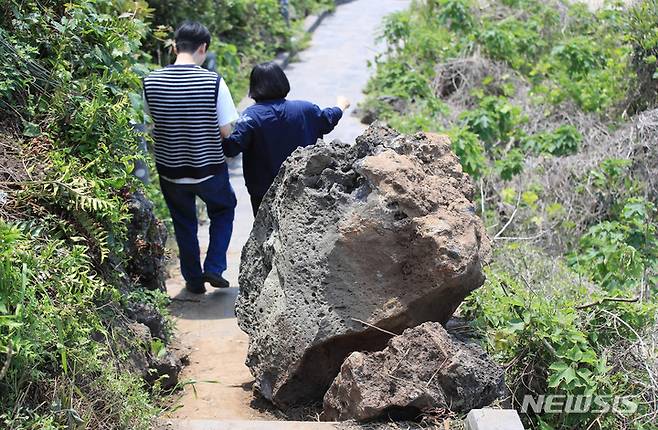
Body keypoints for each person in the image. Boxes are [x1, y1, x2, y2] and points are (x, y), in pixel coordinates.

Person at [143, 21, 239, 294]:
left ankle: (193, 280)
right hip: (208, 168)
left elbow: (152, 122)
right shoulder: (214, 82)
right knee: (223, 210)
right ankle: (214, 266)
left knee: (183, 222)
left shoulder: (150, 81)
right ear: (204, 48)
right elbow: (225, 130)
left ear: (174, 46)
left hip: (170, 169)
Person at [222, 61, 350, 215]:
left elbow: (231, 148)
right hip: (303, 186)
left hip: (263, 190)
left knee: (266, 233)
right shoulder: (305, 109)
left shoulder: (250, 116)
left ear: (253, 87)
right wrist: (341, 105)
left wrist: (217, 126)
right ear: (282, 81)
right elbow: (328, 118)